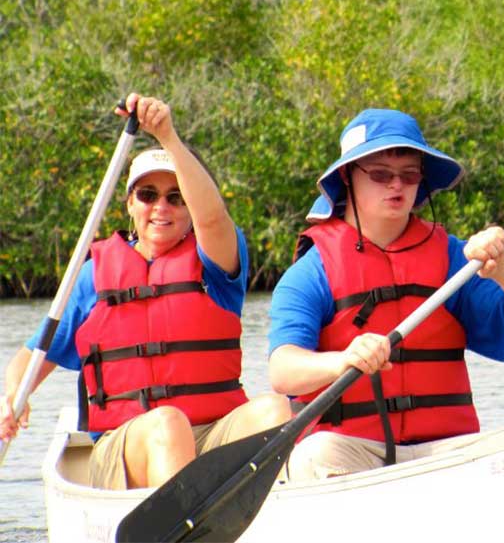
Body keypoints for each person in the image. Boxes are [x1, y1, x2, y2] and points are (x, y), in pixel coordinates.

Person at [0, 93, 291, 490]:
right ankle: (181, 525)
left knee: (275, 409)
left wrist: (168, 137)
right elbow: (32, 356)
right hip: (129, 444)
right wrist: (13, 397)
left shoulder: (216, 263)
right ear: (129, 205)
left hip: (211, 434)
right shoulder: (92, 277)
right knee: (168, 423)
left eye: (176, 198)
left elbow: (213, 216)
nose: (162, 207)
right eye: (148, 195)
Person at [268, 108, 504, 480]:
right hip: (352, 450)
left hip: (443, 449)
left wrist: (503, 268)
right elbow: (282, 371)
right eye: (380, 174)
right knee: (314, 454)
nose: (397, 186)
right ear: (348, 177)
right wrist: (343, 360)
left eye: (409, 175)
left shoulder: (453, 259)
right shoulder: (311, 272)